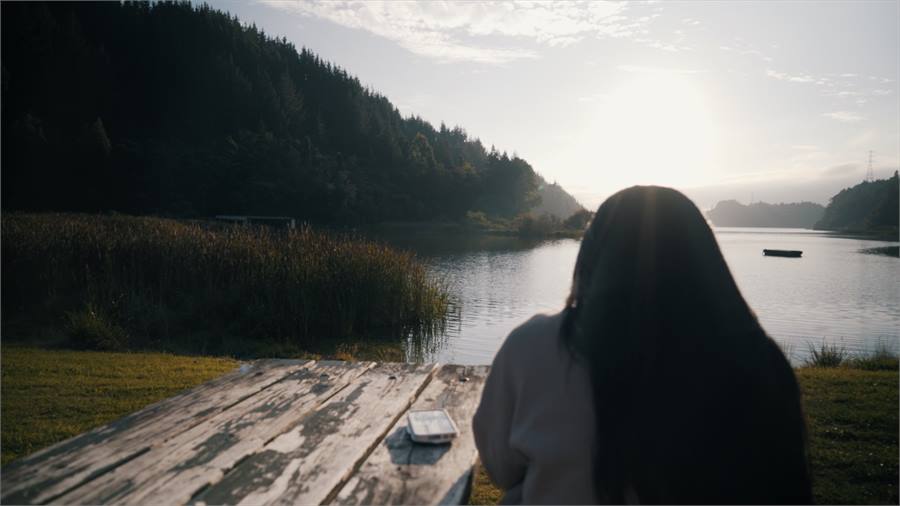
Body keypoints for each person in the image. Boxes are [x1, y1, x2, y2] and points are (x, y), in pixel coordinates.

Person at [473, 186, 812, 504]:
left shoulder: (533, 346)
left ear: (593, 259)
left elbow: (501, 468)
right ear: (707, 262)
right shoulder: (759, 361)